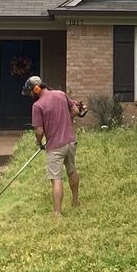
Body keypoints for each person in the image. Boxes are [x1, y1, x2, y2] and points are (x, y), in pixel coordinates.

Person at [23, 75, 85, 216]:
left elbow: (39, 131)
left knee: (56, 178)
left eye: (31, 92)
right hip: (70, 141)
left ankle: (57, 213)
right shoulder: (60, 94)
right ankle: (75, 201)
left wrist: (39, 142)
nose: (30, 95)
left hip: (55, 146)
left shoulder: (37, 106)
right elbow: (75, 110)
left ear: (36, 89)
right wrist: (65, 119)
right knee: (72, 170)